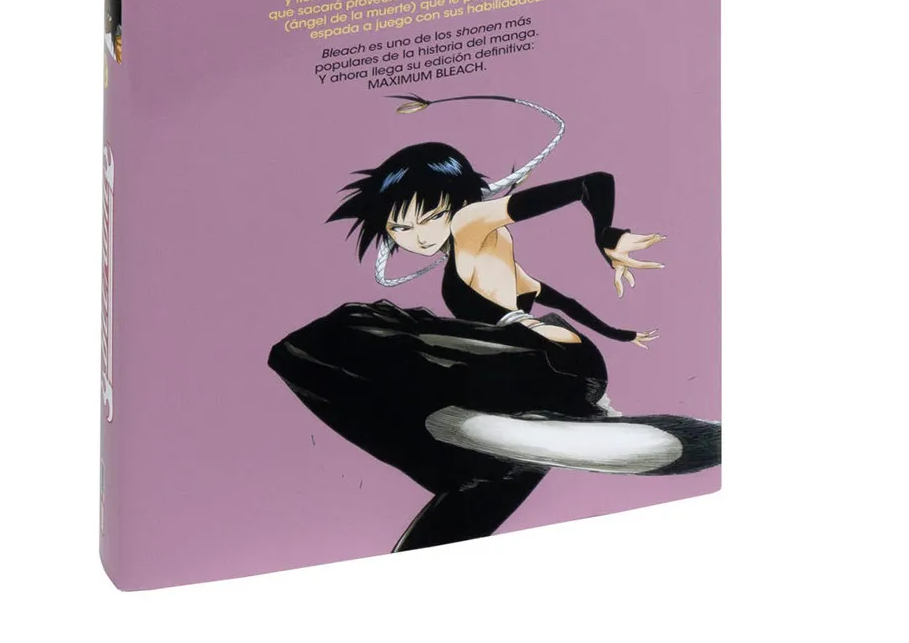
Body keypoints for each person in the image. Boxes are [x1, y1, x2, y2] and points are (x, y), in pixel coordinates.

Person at [268, 93, 720, 552]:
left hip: (534, 360)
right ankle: (506, 449)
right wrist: (619, 336)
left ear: (457, 204)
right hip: (563, 372)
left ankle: (468, 436)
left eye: (429, 218)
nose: (418, 237)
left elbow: (592, 182)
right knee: (466, 503)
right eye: (400, 228)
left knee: (329, 336)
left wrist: (606, 234)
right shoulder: (492, 258)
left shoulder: (470, 223)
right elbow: (559, 299)